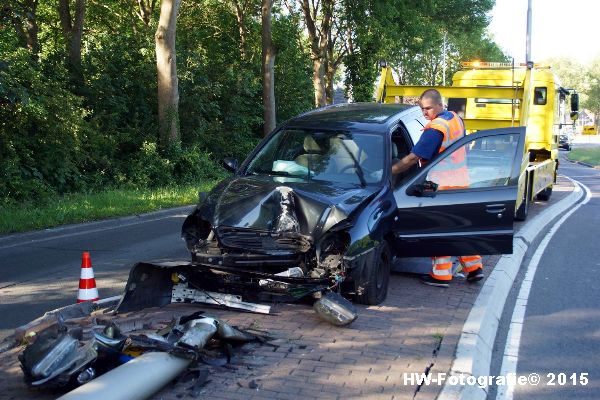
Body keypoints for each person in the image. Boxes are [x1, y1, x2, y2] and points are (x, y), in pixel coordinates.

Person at [392, 89, 484, 288]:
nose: (425, 113)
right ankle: (474, 269)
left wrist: (390, 170)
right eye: (422, 109)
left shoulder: (436, 128)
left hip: (440, 185)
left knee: (437, 230)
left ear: (439, 105)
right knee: (458, 230)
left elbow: (413, 158)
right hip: (461, 182)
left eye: (428, 108)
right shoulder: (455, 119)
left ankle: (441, 276)